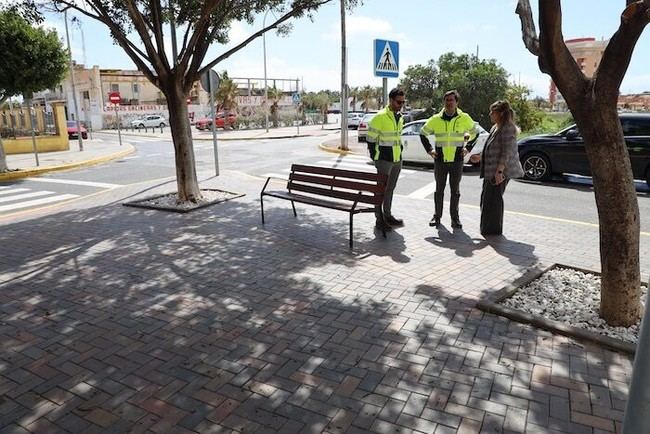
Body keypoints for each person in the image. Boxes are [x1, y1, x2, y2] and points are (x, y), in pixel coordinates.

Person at [420, 90, 477, 229]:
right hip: (440, 161)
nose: (449, 103)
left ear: (457, 102)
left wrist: (467, 148)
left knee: (455, 191)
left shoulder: (464, 118)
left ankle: (455, 219)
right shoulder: (435, 119)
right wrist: (430, 150)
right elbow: (422, 133)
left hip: (457, 160)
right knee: (439, 190)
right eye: (447, 100)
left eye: (452, 100)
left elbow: (475, 132)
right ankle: (437, 216)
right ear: (444, 102)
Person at [470, 100, 524, 236]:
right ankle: (488, 229)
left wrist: (499, 171)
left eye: (492, 112)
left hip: (499, 172)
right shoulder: (496, 127)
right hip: (491, 170)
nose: (490, 114)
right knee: (487, 199)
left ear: (500, 113)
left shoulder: (507, 128)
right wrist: (481, 157)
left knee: (493, 201)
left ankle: (492, 231)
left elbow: (506, 151)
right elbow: (492, 148)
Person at [366, 88, 406, 231]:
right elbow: (370, 140)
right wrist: (375, 157)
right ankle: (379, 219)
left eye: (403, 102)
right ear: (390, 100)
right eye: (398, 102)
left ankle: (387, 215)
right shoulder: (380, 117)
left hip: (396, 159)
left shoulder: (400, 117)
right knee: (380, 191)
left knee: (390, 189)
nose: (401, 104)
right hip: (383, 160)